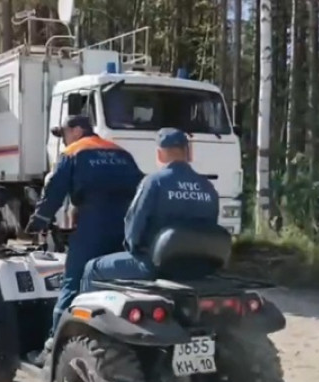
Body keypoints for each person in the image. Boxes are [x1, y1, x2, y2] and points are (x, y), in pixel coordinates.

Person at [25, 114, 143, 366]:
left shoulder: (74, 152)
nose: (64, 139)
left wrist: (39, 220)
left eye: (65, 133)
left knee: (73, 281)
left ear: (77, 131)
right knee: (118, 282)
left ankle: (50, 349)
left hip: (93, 224)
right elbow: (143, 189)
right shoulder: (121, 152)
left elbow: (55, 190)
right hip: (127, 228)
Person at [80, 128, 220, 292]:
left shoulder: (154, 183)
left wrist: (133, 248)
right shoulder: (208, 187)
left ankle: (84, 317)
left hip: (155, 265)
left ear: (159, 154)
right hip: (198, 267)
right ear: (189, 153)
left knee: (92, 268)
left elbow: (133, 229)